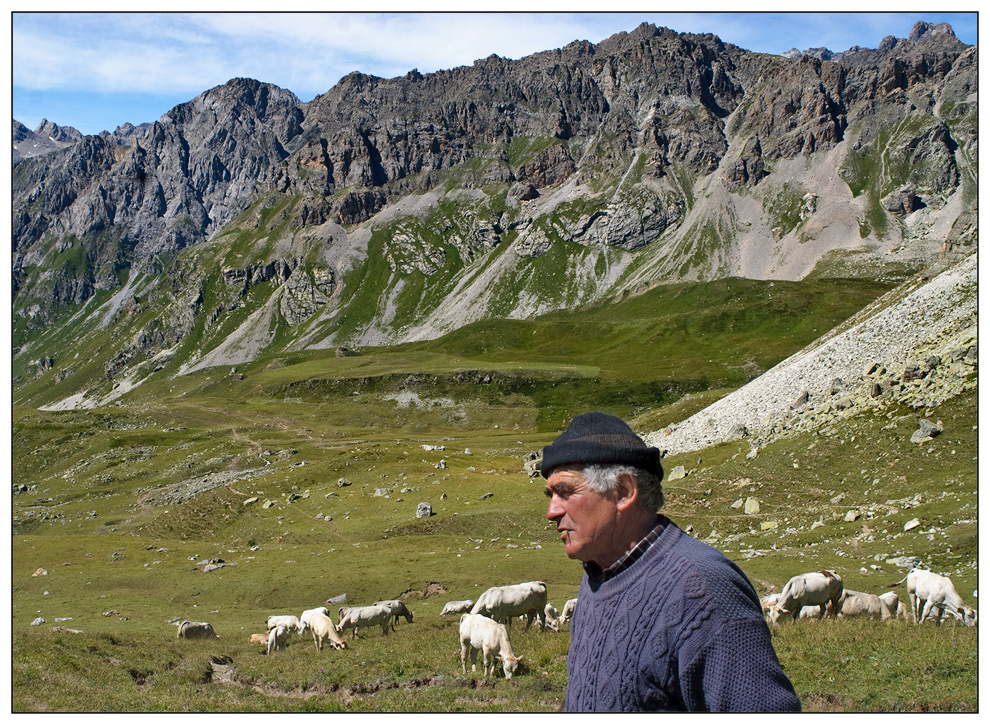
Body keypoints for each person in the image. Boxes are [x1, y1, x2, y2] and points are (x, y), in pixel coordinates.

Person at [541, 411, 800, 712]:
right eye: (550, 494)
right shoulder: (597, 575)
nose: (551, 511)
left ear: (623, 491)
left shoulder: (704, 589)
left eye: (564, 491)